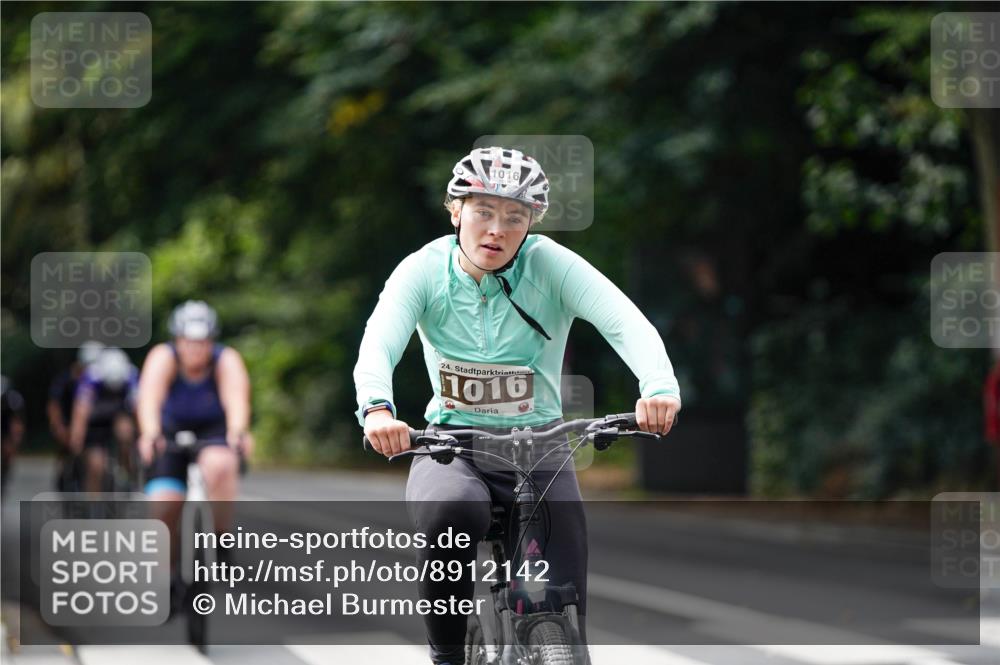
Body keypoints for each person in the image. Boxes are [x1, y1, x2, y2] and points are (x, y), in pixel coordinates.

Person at [354, 146, 682, 665]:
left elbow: (625, 321)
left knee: (565, 596)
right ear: (455, 211)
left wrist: (659, 387)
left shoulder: (549, 264)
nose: (497, 229)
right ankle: (447, 655)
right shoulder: (423, 270)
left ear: (531, 224)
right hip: (451, 447)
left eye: (514, 217)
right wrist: (377, 409)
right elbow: (379, 342)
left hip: (540, 448)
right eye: (483, 211)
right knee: (450, 511)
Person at [136, 300, 253, 549]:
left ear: (212, 341)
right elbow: (149, 399)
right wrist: (150, 432)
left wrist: (238, 431)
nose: (195, 349)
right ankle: (167, 566)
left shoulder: (226, 359)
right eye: (189, 342)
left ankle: (220, 539)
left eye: (202, 342)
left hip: (212, 433)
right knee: (164, 507)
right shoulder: (162, 357)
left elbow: (236, 400)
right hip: (168, 433)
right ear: (177, 340)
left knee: (221, 465)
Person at [68, 347, 139, 493]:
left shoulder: (131, 375)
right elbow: (81, 410)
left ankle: (127, 471)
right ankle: (94, 501)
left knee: (126, 431)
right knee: (96, 466)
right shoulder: (92, 377)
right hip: (95, 422)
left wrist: (141, 436)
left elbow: (138, 408)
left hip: (119, 415)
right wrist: (77, 437)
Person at [49, 341, 104, 491]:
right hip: (67, 423)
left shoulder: (100, 380)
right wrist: (59, 427)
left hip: (92, 425)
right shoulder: (66, 380)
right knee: (67, 453)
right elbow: (54, 405)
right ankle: (65, 477)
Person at [1, 375, 26, 497]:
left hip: (5, 429)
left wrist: (15, 441)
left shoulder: (13, 399)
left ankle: (4, 476)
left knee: (7, 453)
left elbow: (17, 422)